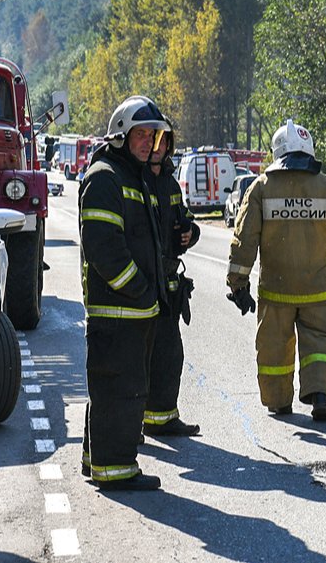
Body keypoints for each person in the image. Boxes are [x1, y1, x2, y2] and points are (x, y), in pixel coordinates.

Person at [78, 95, 170, 491]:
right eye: (141, 135)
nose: (149, 143)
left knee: (110, 388)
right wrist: (141, 291)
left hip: (134, 310)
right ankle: (116, 470)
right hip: (119, 310)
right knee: (121, 389)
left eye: (154, 136)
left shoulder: (134, 176)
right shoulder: (106, 177)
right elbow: (105, 250)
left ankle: (94, 459)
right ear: (121, 134)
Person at [227, 120, 326, 422]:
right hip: (317, 289)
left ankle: (279, 401)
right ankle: (320, 395)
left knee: (274, 349)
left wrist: (238, 284)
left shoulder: (261, 188)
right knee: (319, 342)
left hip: (275, 291)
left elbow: (245, 238)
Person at [142, 124, 201, 437]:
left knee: (169, 354)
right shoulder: (134, 180)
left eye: (163, 142)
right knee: (140, 356)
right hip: (140, 284)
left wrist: (189, 234)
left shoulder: (170, 184)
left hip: (167, 282)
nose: (157, 147)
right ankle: (136, 419)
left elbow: (184, 221)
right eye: (152, 141)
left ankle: (161, 418)